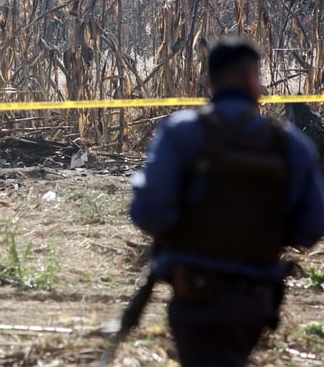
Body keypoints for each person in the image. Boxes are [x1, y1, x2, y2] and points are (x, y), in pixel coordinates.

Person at [129, 36, 324, 366]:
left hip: (195, 293)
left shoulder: (181, 132)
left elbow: (147, 211)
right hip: (255, 300)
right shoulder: (289, 144)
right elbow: (311, 227)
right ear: (252, 78)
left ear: (209, 82)